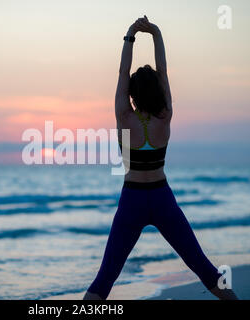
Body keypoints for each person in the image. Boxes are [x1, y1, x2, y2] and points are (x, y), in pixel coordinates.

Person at [83, 16, 238, 300]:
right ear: (156, 90)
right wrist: (156, 33)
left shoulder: (124, 116)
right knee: (202, 266)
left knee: (105, 277)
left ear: (131, 92)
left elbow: (121, 71)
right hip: (162, 198)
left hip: (131, 200)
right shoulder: (164, 117)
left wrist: (130, 34)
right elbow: (163, 70)